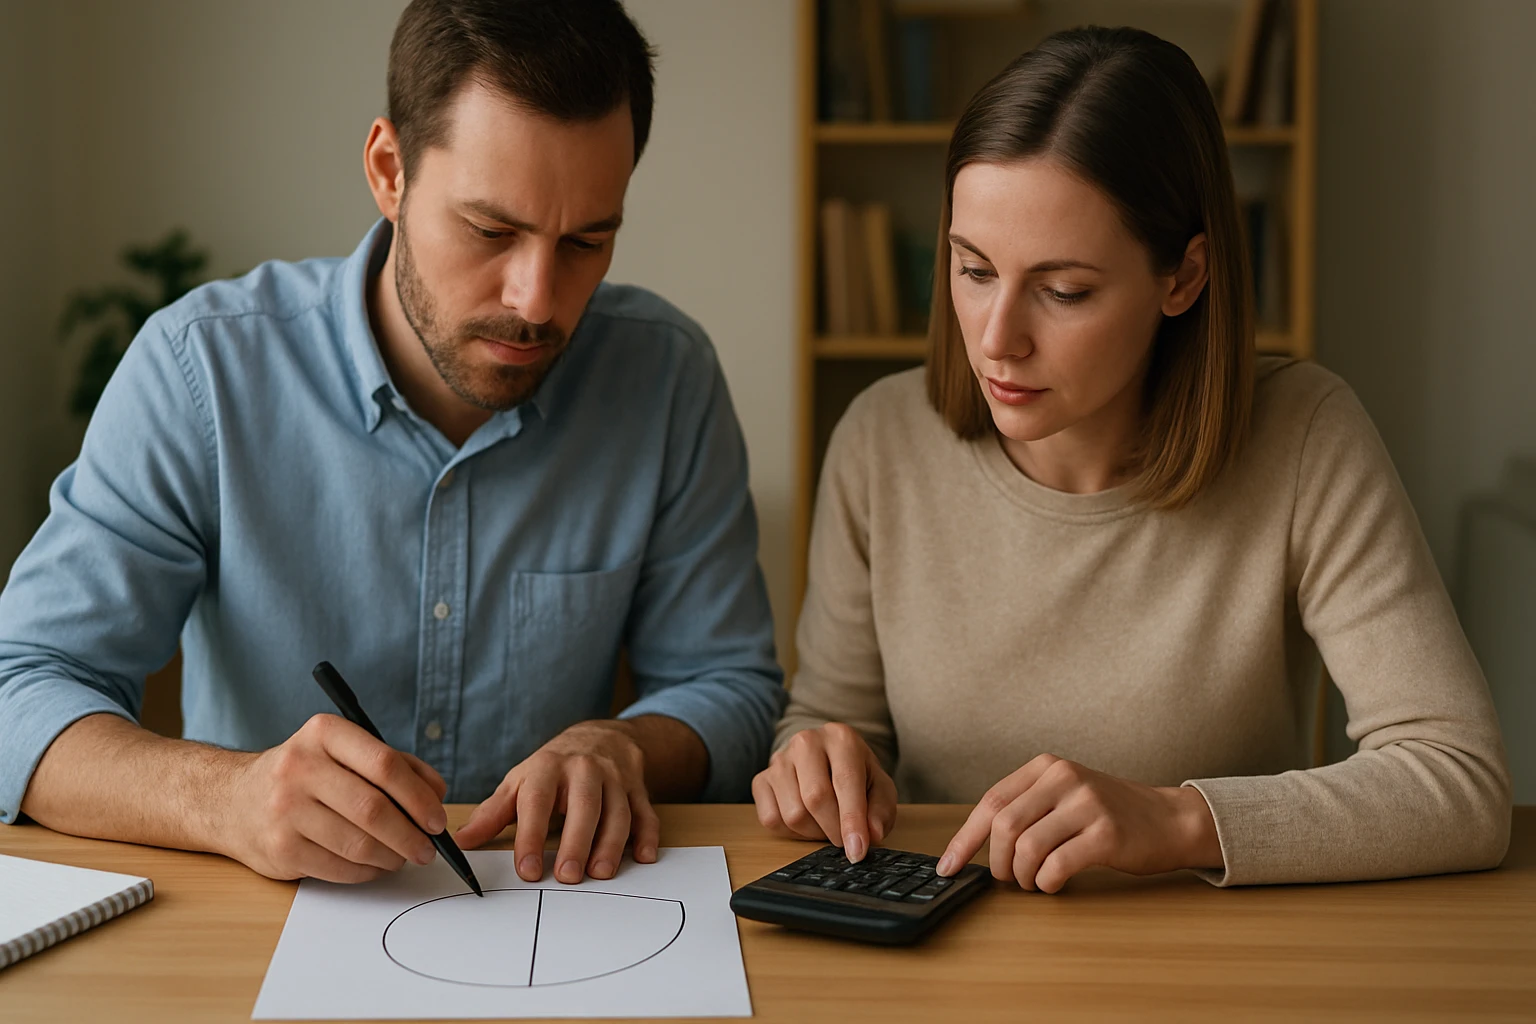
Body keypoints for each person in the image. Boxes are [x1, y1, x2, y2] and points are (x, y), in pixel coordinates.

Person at [0, 0, 784, 888]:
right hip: (257, 935)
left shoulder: (665, 379)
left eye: (586, 241)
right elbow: (20, 685)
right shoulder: (202, 371)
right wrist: (224, 798)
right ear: (389, 171)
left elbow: (733, 690)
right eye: (492, 231)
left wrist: (624, 746)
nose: (535, 299)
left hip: (548, 915)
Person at [753, 26, 1510, 891]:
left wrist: (1179, 819)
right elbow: (826, 720)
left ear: (1184, 277)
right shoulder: (880, 436)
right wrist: (814, 761)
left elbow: (1460, 780)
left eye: (1063, 290)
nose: (998, 341)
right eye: (973, 270)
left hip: (1205, 964)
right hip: (935, 946)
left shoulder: (1307, 436)